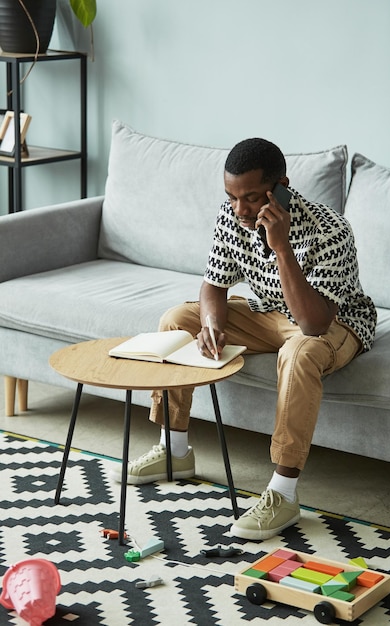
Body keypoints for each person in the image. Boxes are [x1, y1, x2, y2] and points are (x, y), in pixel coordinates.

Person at [110, 138, 376, 541]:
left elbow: (312, 323)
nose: (240, 210)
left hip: (332, 322)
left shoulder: (331, 229)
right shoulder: (232, 216)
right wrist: (212, 323)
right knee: (176, 319)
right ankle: (174, 450)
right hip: (267, 313)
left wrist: (281, 245)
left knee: (300, 352)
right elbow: (212, 286)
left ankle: (283, 493)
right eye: (232, 197)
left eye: (251, 198)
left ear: (281, 187)